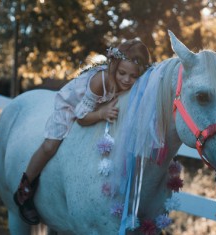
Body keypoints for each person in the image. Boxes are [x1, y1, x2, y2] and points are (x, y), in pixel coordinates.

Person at [13, 39, 151, 225]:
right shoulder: (100, 80)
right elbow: (81, 116)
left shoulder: (135, 85)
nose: (126, 80)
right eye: (122, 73)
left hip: (98, 106)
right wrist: (102, 113)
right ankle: (25, 189)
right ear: (114, 67)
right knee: (50, 145)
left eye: (133, 76)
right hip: (73, 106)